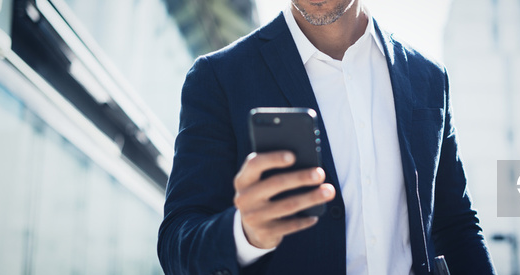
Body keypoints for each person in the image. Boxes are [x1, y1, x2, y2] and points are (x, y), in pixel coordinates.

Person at [157, 0, 496, 274]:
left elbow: (456, 226)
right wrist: (245, 234)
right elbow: (177, 243)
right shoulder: (218, 77)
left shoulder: (429, 77)